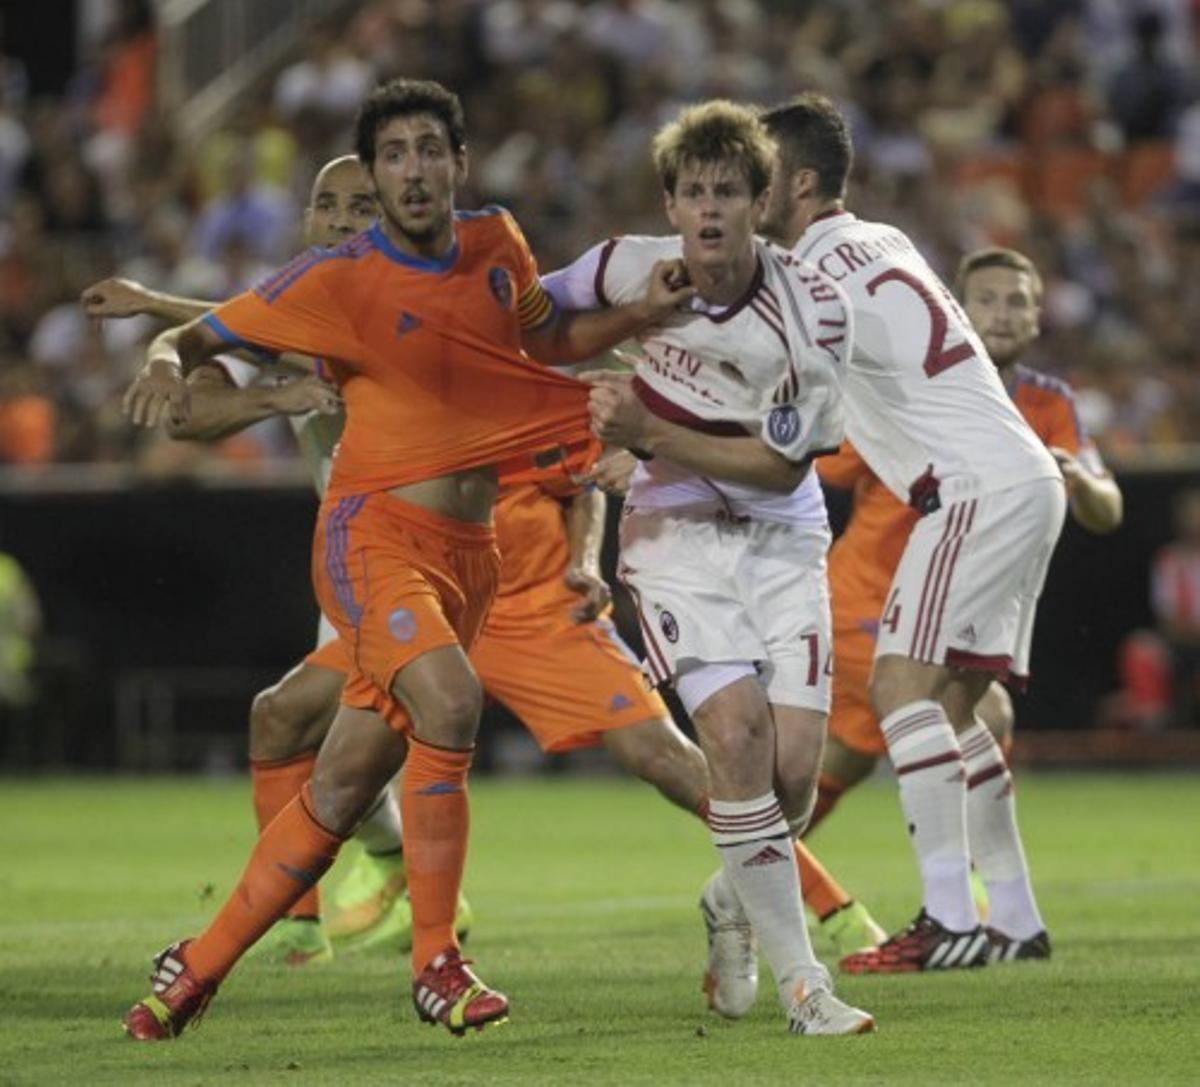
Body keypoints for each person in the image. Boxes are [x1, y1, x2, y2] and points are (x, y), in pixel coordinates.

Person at [117, 77, 689, 1041]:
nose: (413, 170)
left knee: (342, 785)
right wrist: (163, 359)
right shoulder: (336, 279)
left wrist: (637, 313)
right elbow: (196, 335)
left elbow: (546, 340)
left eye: (429, 149)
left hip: (471, 556)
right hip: (371, 537)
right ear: (377, 175)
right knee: (451, 700)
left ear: (459, 163)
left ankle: (193, 970)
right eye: (394, 155)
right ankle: (437, 961)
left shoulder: (496, 243)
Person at [563, 99, 875, 1035]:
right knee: (734, 737)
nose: (708, 208)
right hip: (674, 535)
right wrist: (609, 337)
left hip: (782, 534)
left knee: (793, 779)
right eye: (693, 191)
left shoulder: (813, 312)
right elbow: (530, 316)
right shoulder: (626, 267)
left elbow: (780, 467)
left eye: (728, 191)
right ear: (670, 203)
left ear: (759, 201)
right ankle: (804, 987)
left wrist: (646, 431)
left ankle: (730, 897)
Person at [758, 92, 1067, 974]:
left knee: (900, 687)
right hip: (1022, 477)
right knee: (961, 706)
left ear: (801, 182)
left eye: (758, 175)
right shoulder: (884, 240)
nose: (745, 192)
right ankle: (1012, 914)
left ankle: (947, 917)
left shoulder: (807, 276)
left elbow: (787, 406)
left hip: (970, 488)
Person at [85, 155, 419, 968]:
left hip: (427, 559)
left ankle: (349, 909)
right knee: (322, 741)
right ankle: (391, 884)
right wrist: (257, 389)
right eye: (326, 204)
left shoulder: (416, 300)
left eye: (360, 206)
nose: (340, 219)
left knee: (294, 722)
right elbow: (192, 412)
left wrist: (160, 307)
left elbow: (273, 328)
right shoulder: (294, 311)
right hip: (356, 568)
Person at [794, 245, 1123, 962]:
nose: (1001, 313)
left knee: (840, 766)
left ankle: (754, 879)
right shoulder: (913, 382)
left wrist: (1078, 478)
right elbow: (816, 460)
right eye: (987, 299)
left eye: (1017, 301)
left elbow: (1109, 508)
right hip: (867, 598)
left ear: (1038, 317)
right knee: (970, 712)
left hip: (951, 592)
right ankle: (974, 909)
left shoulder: (1046, 402)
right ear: (955, 310)